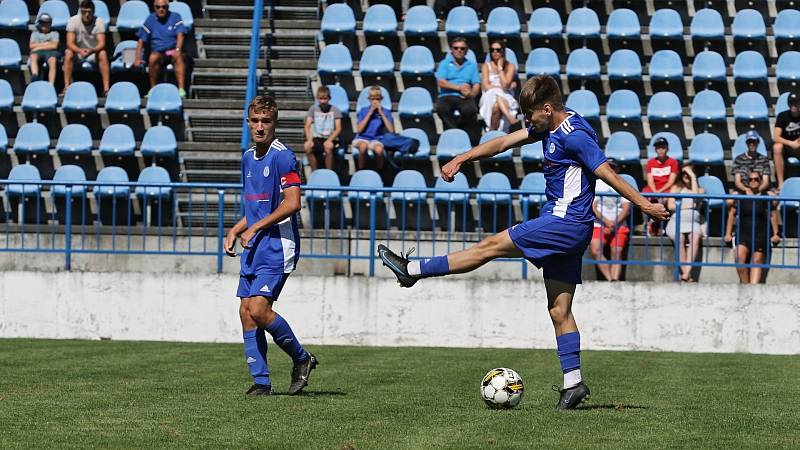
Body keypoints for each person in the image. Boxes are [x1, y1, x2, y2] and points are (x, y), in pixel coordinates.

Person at [377, 75, 669, 410]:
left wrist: (644, 204)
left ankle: (411, 269)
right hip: (572, 228)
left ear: (547, 108)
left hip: (564, 222)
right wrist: (462, 158)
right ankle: (573, 383)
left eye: (529, 115)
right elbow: (503, 143)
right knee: (559, 309)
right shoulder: (550, 126)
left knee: (489, 247)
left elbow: (607, 173)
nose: (526, 121)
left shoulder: (575, 135)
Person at [224, 95, 318, 396]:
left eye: (266, 121)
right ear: (248, 122)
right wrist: (236, 228)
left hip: (278, 245)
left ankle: (302, 359)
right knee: (245, 311)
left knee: (260, 309)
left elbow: (293, 203)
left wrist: (256, 227)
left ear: (274, 123)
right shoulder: (248, 157)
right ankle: (262, 382)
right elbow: (257, 206)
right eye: (255, 120)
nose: (260, 126)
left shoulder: (284, 157)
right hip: (256, 244)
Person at [726, 171, 781, 284]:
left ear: (761, 181)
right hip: (743, 232)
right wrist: (727, 233)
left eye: (756, 179)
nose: (753, 181)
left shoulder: (766, 196)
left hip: (760, 233)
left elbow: (772, 215)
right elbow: (731, 213)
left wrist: (776, 233)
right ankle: (747, 288)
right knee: (739, 260)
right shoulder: (740, 195)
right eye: (750, 179)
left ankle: (754, 290)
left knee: (757, 260)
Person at [724, 130, 772, 247]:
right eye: (750, 141)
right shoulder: (739, 159)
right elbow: (737, 181)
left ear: (757, 143)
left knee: (774, 201)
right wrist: (746, 190)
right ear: (746, 143)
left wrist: (758, 190)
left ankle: (773, 232)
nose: (752, 144)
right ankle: (728, 233)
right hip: (743, 190)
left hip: (759, 189)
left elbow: (766, 181)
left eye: (754, 141)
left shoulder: (764, 159)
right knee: (730, 202)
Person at [135, 0, 188, 98]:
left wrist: (177, 49)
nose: (161, 9)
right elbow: (141, 40)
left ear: (168, 7)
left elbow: (180, 35)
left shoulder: (175, 16)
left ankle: (181, 89)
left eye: (164, 7)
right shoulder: (150, 19)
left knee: (178, 56)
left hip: (171, 51)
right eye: (158, 7)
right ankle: (153, 89)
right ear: (154, 7)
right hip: (158, 52)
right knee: (153, 58)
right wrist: (137, 58)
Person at [590, 160, 630, 282]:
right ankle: (610, 279)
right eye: (609, 167)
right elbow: (593, 206)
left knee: (617, 251)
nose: (611, 169)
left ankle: (615, 279)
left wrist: (614, 223)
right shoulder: (597, 184)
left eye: (613, 167)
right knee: (595, 250)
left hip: (619, 224)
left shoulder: (623, 184)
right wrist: (606, 221)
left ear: (618, 169)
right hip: (599, 223)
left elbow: (626, 208)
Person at [435, 37, 481, 145]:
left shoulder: (472, 66)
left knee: (470, 110)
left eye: (462, 48)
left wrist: (471, 94)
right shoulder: (445, 63)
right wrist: (459, 88)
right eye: (456, 48)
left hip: (464, 96)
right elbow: (441, 82)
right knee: (441, 108)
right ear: (451, 49)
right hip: (447, 94)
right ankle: (456, 132)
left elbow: (476, 84)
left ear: (466, 50)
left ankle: (457, 132)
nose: (459, 50)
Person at [665, 165, 705, 282]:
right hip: (676, 221)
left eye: (689, 173)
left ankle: (686, 274)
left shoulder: (700, 189)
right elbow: (671, 206)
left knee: (695, 237)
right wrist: (688, 206)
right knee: (680, 238)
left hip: (694, 222)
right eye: (684, 173)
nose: (686, 176)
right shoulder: (676, 188)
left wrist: (693, 177)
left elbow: (696, 199)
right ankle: (687, 274)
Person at [63, 0, 110, 95]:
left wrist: (91, 50)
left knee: (103, 54)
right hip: (77, 52)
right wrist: (80, 51)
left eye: (89, 11)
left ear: (93, 11)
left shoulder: (99, 22)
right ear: (81, 11)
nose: (87, 14)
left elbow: (102, 43)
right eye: (84, 12)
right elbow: (69, 43)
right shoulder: (73, 21)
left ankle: (106, 89)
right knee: (68, 53)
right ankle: (67, 87)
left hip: (93, 52)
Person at [479, 40, 519, 132]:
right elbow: (485, 86)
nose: (495, 52)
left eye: (498, 50)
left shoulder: (510, 66)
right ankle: (510, 118)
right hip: (489, 94)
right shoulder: (486, 66)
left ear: (503, 51)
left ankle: (491, 131)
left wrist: (500, 68)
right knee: (495, 94)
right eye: (492, 50)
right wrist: (499, 87)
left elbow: (505, 86)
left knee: (497, 106)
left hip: (506, 94)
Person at [641, 136, 679, 236]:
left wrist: (660, 192)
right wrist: (655, 192)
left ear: (667, 149)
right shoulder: (651, 162)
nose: (660, 150)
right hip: (653, 189)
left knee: (665, 199)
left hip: (666, 188)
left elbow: (671, 181)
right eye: (658, 148)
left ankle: (661, 224)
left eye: (663, 147)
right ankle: (647, 223)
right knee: (643, 198)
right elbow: (650, 180)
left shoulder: (673, 162)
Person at [353, 85, 394, 171]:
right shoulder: (364, 110)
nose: (375, 101)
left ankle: (380, 172)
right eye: (372, 98)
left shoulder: (386, 112)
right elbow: (359, 130)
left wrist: (382, 114)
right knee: (363, 146)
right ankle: (360, 170)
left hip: (377, 139)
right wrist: (370, 113)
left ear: (381, 99)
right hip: (362, 138)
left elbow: (391, 130)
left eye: (377, 98)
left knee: (379, 150)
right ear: (369, 99)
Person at [303, 86, 342, 171]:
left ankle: (329, 172)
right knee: (307, 146)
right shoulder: (313, 109)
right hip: (317, 137)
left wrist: (330, 140)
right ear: (317, 98)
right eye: (320, 99)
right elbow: (307, 126)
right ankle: (314, 171)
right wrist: (309, 140)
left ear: (329, 98)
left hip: (330, 137)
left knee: (328, 147)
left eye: (325, 99)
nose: (323, 101)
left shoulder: (335, 109)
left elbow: (338, 128)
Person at [772, 93, 800, 189]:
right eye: (791, 103)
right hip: (787, 147)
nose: (793, 105)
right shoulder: (782, 116)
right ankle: (781, 184)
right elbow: (776, 137)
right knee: (777, 147)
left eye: (796, 103)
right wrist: (791, 143)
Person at [29, 13, 59, 85]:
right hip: (38, 52)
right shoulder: (35, 33)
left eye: (46, 23)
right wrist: (48, 44)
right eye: (42, 23)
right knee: (33, 56)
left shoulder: (54, 33)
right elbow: (32, 45)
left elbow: (54, 46)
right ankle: (35, 76)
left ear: (50, 23)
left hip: (51, 52)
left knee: (53, 60)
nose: (43, 25)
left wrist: (39, 46)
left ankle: (51, 84)